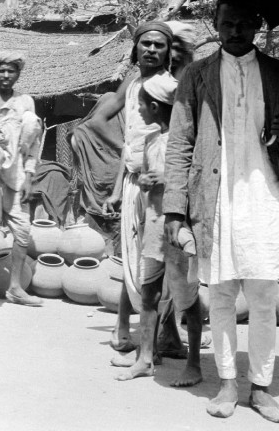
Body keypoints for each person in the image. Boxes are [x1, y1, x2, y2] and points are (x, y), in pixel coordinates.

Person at [163, 0, 279, 423]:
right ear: (216, 24)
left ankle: (261, 389)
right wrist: (174, 209)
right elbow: (179, 143)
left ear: (258, 26)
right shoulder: (196, 75)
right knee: (221, 296)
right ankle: (226, 384)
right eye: (228, 23)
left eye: (245, 23)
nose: (236, 30)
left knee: (263, 298)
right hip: (215, 198)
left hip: (263, 197)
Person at [97, 21, 183, 353]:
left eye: (159, 45)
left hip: (161, 185)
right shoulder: (132, 84)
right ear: (136, 48)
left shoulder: (173, 87)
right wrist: (118, 189)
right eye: (146, 43)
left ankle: (165, 336)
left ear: (168, 52)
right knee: (133, 256)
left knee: (160, 259)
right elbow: (118, 134)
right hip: (135, 182)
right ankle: (124, 328)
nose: (151, 49)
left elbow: (183, 139)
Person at [114, 72, 203, 386]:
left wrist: (165, 179)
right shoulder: (151, 139)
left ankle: (194, 364)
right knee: (149, 293)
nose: (137, 110)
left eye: (141, 104)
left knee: (187, 298)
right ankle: (146, 359)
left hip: (177, 228)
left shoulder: (186, 141)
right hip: (153, 227)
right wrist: (144, 181)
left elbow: (197, 179)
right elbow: (145, 176)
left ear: (154, 106)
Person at [0, 51, 43, 306]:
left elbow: (33, 143)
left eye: (11, 71)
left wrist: (29, 176)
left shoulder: (25, 101)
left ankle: (15, 287)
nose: (6, 75)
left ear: (18, 74)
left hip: (17, 174)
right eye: (1, 71)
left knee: (22, 231)